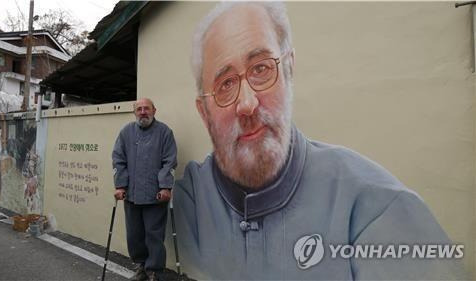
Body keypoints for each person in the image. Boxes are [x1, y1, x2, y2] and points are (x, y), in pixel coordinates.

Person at [173, 2, 467, 280]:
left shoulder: (379, 209)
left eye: (261, 69)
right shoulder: (192, 198)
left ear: (289, 69)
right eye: (225, 85)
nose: (247, 103)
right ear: (204, 112)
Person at [112, 98, 177, 281]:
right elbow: (118, 159)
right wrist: (120, 185)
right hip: (131, 195)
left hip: (155, 196)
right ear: (134, 112)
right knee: (134, 235)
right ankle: (141, 267)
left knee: (154, 236)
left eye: (146, 108)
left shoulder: (164, 132)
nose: (142, 112)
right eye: (138, 109)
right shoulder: (126, 133)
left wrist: (165, 186)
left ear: (154, 111)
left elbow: (169, 161)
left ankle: (155, 271)